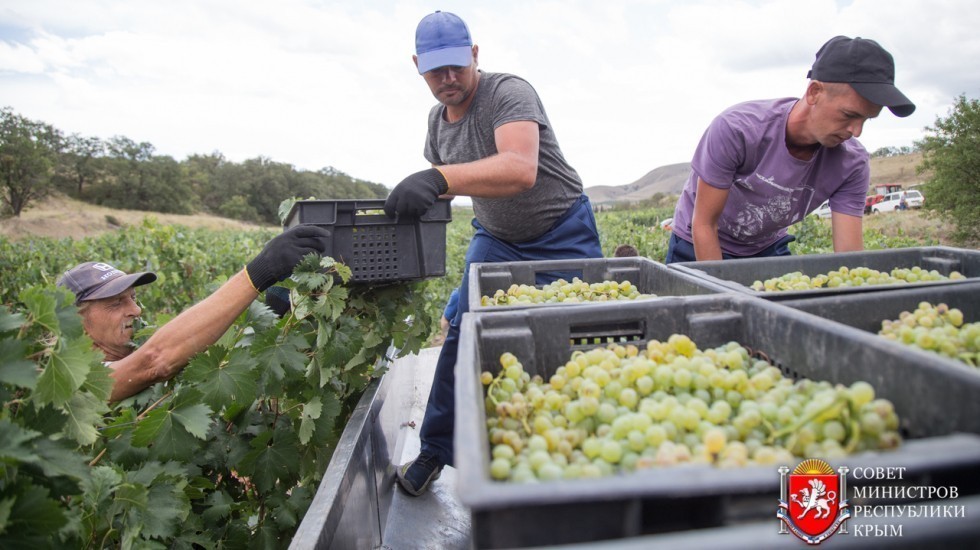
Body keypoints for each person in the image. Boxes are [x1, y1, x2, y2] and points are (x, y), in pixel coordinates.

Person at [385, 10, 602, 496]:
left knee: (572, 338)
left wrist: (439, 179)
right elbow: (444, 187)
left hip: (563, 231)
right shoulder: (436, 124)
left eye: (456, 67)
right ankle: (436, 450)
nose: (448, 79)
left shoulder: (508, 93)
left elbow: (519, 169)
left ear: (475, 55)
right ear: (418, 66)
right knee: (464, 329)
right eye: (435, 70)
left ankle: (575, 454)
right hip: (496, 238)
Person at [665, 36, 915, 264]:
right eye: (849, 115)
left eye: (866, 119)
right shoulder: (738, 130)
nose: (856, 131)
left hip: (766, 248)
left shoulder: (852, 164)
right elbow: (705, 224)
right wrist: (720, 299)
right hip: (696, 243)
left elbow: (849, 257)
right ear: (814, 92)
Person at [57, 225, 330, 402]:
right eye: (115, 303)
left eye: (133, 298)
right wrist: (258, 273)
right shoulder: (69, 379)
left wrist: (271, 312)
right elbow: (155, 360)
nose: (136, 310)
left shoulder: (138, 341)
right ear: (75, 323)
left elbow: (205, 349)